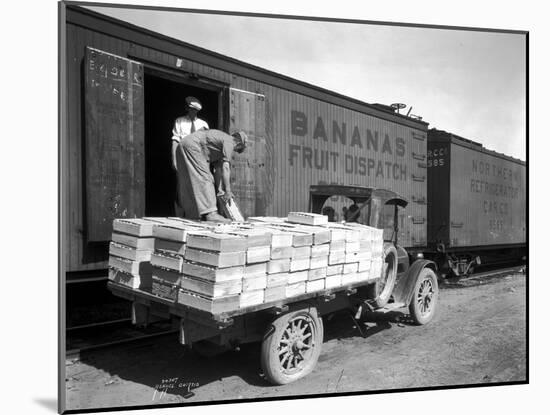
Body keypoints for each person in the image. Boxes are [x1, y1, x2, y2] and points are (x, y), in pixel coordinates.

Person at [174, 129, 247, 222]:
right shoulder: (230, 141)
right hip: (193, 146)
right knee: (205, 178)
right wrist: (228, 191)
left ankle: (192, 214)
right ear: (239, 144)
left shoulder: (219, 143)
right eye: (238, 150)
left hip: (183, 144)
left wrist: (220, 191)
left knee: (188, 181)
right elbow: (226, 168)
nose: (235, 151)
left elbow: (218, 171)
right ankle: (211, 214)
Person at [171, 96, 209, 215]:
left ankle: (196, 216)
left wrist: (206, 164)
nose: (194, 112)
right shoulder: (180, 121)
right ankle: (179, 216)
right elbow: (175, 141)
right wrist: (174, 160)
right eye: (192, 109)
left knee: (198, 188)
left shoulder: (203, 124)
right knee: (181, 189)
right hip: (183, 158)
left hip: (197, 160)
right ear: (187, 109)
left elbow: (206, 146)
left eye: (196, 110)